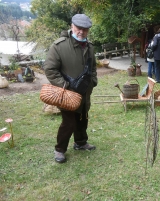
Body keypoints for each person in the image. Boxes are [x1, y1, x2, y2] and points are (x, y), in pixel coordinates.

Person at [44, 14, 98, 163]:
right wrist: (65, 86)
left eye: (85, 29)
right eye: (79, 28)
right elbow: (50, 69)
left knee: (82, 118)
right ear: (72, 26)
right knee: (69, 123)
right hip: (67, 94)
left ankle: (80, 143)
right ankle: (59, 150)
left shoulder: (90, 46)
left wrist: (93, 81)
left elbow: (93, 67)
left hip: (85, 92)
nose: (81, 32)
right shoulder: (59, 46)